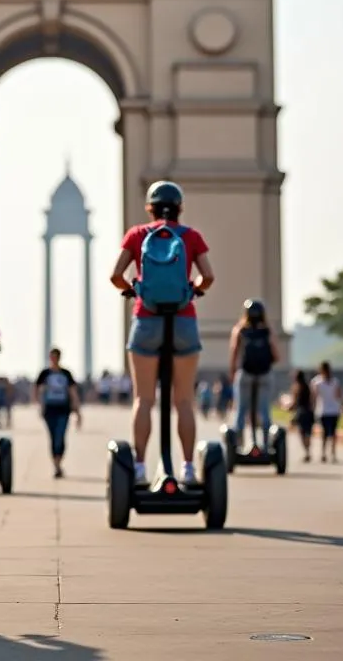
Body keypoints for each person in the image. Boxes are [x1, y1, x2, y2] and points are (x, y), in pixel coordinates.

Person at [109, 180, 215, 485]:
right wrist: (192, 289)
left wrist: (134, 289)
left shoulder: (137, 235)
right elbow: (208, 276)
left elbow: (116, 275)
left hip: (146, 320)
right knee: (183, 401)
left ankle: (140, 467)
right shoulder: (191, 236)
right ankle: (187, 467)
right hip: (183, 321)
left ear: (149, 208)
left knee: (143, 399)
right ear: (180, 208)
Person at [229, 300, 280, 451]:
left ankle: (238, 446)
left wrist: (233, 372)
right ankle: (265, 446)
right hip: (264, 374)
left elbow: (234, 353)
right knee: (264, 411)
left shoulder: (240, 330)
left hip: (245, 374)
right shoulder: (267, 331)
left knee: (241, 411)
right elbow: (277, 356)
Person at [34, 347, 82, 478]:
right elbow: (37, 390)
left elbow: (73, 392)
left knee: (60, 437)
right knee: (53, 437)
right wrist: (39, 405)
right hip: (49, 410)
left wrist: (78, 412)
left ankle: (59, 463)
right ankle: (56, 465)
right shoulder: (44, 374)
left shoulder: (66, 374)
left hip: (63, 409)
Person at [310, 361, 343, 463]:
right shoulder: (335, 381)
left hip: (323, 410)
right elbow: (339, 395)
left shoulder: (316, 382)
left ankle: (324, 453)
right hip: (334, 410)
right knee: (333, 433)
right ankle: (332, 454)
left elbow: (314, 397)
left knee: (324, 433)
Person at [291, 369, 314, 462]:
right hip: (309, 411)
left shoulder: (296, 387)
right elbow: (312, 399)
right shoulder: (308, 386)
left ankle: (306, 452)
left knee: (302, 433)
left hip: (301, 412)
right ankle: (308, 452)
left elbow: (295, 402)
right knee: (308, 433)